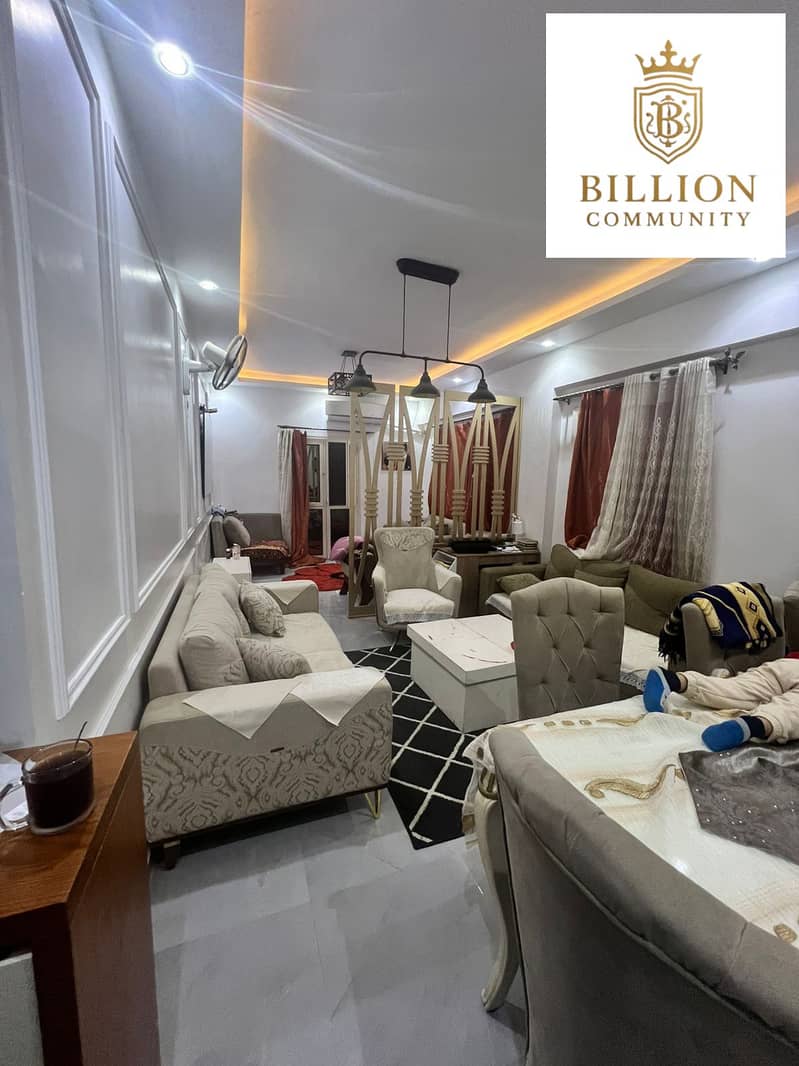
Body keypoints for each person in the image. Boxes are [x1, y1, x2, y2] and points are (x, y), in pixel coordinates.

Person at [643, 659, 799, 752]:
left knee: (734, 690)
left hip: (788, 665)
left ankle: (674, 680)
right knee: (791, 709)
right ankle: (757, 725)